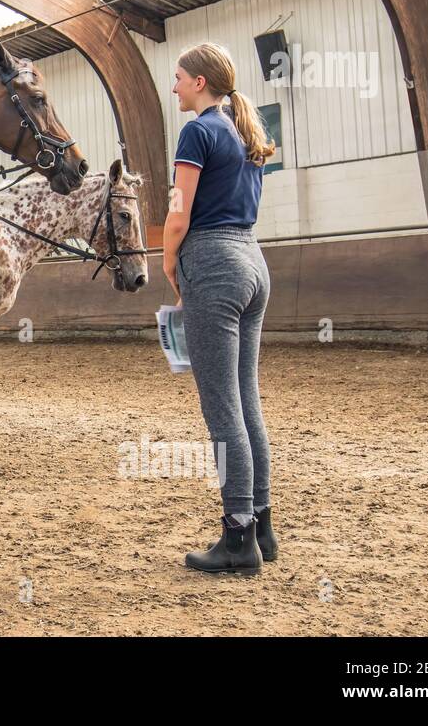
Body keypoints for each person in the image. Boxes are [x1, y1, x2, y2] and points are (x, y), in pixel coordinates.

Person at [163, 43, 278, 576]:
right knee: (246, 400)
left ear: (202, 83)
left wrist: (169, 260)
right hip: (253, 261)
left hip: (212, 262)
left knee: (221, 408)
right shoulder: (244, 128)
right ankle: (261, 525)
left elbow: (179, 210)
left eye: (181, 77)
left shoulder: (198, 130)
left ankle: (237, 539)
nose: (175, 87)